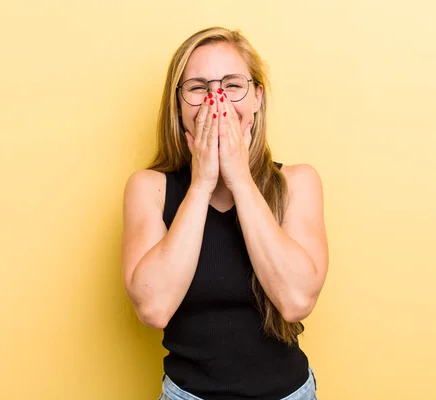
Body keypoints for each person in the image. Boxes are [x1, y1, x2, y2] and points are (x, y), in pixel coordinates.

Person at [122, 26, 329, 400]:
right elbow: (153, 308)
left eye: (232, 85)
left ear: (257, 98)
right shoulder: (148, 188)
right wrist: (201, 184)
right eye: (199, 88)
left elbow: (297, 301)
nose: (216, 101)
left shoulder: (298, 182)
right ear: (178, 104)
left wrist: (240, 180)